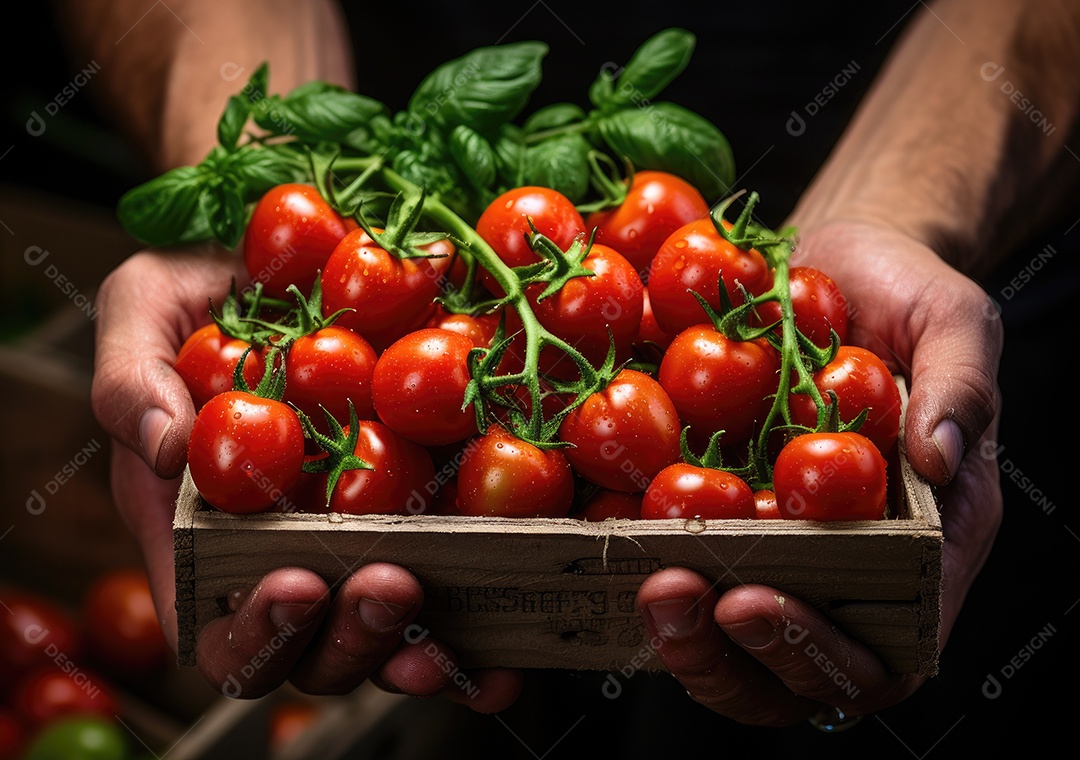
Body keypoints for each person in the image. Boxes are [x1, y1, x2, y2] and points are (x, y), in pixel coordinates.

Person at [68, 0, 1078, 738]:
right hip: (490, 451)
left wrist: (902, 216)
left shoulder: (686, 334)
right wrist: (254, 183)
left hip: (949, 251)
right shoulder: (493, 322)